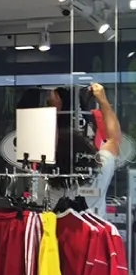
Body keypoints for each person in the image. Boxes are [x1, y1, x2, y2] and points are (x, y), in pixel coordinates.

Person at [53, 82, 120, 214]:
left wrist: (53, 109)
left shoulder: (45, 181)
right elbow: (113, 139)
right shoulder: (99, 172)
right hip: (91, 227)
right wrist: (103, 101)